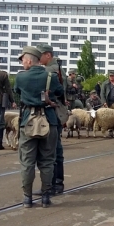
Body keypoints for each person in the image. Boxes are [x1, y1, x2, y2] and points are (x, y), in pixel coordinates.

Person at [14, 46, 63, 208]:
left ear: (28, 60)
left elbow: (17, 92)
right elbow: (61, 92)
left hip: (28, 121)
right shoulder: (51, 76)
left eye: (22, 60)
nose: (22, 63)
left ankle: (27, 198)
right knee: (48, 161)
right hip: (49, 121)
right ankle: (46, 197)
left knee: (27, 162)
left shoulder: (20, 78)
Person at [36, 43, 68, 195]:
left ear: (48, 55)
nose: (38, 58)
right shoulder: (59, 69)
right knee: (56, 148)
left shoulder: (49, 71)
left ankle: (53, 185)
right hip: (58, 111)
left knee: (51, 150)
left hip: (50, 111)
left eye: (40, 55)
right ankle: (57, 183)